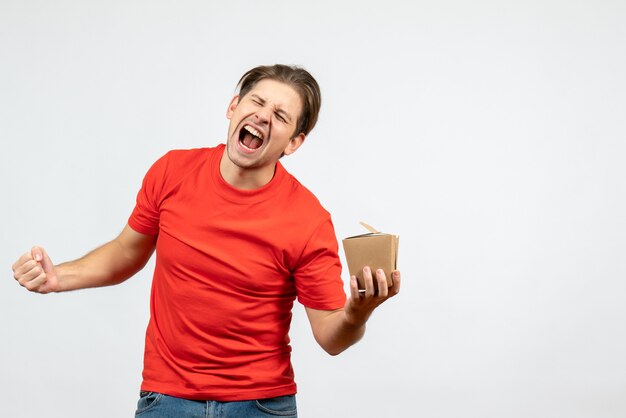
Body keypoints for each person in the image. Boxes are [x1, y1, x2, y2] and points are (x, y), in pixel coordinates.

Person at [11, 64, 401, 417]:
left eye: (280, 116)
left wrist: (357, 312)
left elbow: (331, 337)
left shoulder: (308, 219)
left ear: (293, 143)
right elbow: (126, 252)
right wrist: (59, 277)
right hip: (165, 399)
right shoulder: (171, 172)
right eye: (257, 102)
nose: (263, 116)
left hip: (261, 405)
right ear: (234, 107)